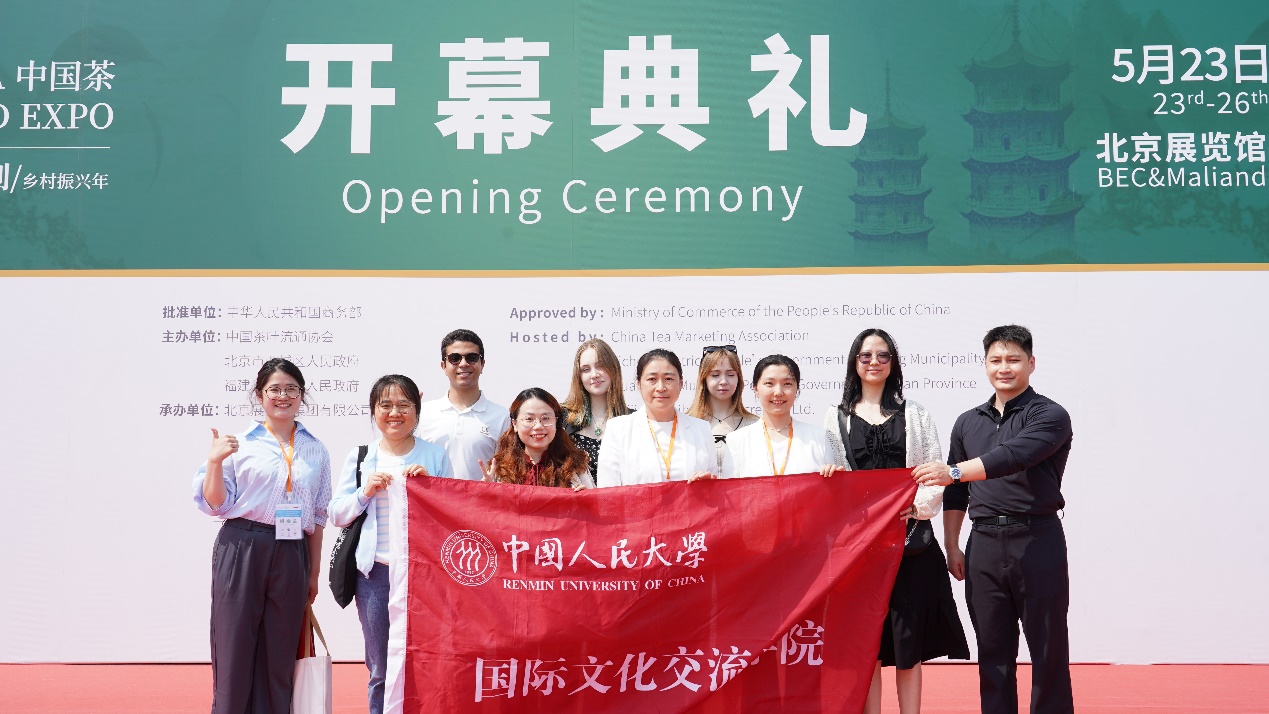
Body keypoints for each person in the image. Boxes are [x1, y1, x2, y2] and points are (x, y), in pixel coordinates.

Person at [914, 325, 1074, 714]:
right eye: (996, 360)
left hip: (1037, 539)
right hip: (983, 545)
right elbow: (956, 493)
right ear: (985, 364)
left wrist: (954, 471)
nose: (1004, 368)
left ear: (1031, 363)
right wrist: (952, 545)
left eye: (1013, 359)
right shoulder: (968, 422)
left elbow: (1013, 456)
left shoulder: (1049, 415)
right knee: (992, 652)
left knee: (1048, 649)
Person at [825, 329, 970, 714]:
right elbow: (834, 478)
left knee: (909, 645)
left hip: (911, 546)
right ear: (855, 362)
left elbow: (933, 470)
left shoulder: (915, 413)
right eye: (866, 355)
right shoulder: (835, 417)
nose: (874, 362)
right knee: (866, 644)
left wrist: (915, 508)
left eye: (883, 355)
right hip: (860, 550)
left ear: (893, 363)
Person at [193, 357, 331, 714]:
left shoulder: (316, 449)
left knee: (280, 654)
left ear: (302, 395)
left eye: (291, 389)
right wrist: (215, 461)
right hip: (243, 545)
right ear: (259, 395)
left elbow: (318, 516)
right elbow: (214, 503)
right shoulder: (238, 443)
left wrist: (313, 572)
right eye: (274, 389)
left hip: (292, 552)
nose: (283, 396)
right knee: (234, 647)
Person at [328, 374, 453, 714]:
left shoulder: (435, 455)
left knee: (426, 662)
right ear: (373, 411)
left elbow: (452, 518)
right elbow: (337, 514)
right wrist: (364, 491)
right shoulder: (361, 456)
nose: (394, 413)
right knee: (380, 667)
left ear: (417, 411)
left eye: (404, 405)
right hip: (375, 575)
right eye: (385, 405)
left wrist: (430, 489)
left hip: (423, 576)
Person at [596, 348, 719, 486]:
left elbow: (716, 487)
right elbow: (607, 492)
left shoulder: (701, 429)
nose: (660, 387)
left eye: (668, 379)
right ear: (638, 384)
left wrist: (709, 485)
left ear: (681, 383)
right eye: (652, 379)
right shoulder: (618, 430)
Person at [417, 329, 511, 481]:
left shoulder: (501, 416)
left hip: (482, 497)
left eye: (471, 358)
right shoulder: (424, 413)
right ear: (443, 366)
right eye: (454, 358)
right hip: (434, 497)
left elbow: (506, 472)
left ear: (482, 364)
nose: (463, 364)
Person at [727, 354, 839, 478]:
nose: (778, 392)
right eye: (769, 383)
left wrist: (835, 477)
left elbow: (832, 487)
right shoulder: (737, 441)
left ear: (797, 389)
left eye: (787, 384)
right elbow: (729, 489)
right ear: (756, 389)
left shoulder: (818, 437)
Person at [484, 387, 594, 489]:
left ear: (556, 421)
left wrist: (586, 497)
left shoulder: (575, 467)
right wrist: (485, 490)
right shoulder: (499, 469)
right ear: (515, 424)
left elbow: (594, 501)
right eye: (529, 419)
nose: (538, 426)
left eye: (545, 418)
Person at [560, 338, 632, 480]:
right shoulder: (562, 418)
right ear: (579, 376)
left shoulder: (634, 421)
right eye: (586, 369)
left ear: (613, 369)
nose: (594, 374)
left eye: (600, 366)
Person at [687, 344, 758, 474]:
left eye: (730, 374)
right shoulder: (687, 424)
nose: (724, 381)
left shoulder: (755, 425)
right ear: (704, 379)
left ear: (739, 379)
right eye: (715, 375)